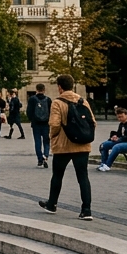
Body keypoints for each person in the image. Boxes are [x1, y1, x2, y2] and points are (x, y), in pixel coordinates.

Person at [39, 74, 95, 221]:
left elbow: (55, 124)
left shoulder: (57, 102)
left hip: (63, 146)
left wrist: (53, 137)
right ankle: (86, 210)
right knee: (83, 177)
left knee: (57, 176)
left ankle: (52, 204)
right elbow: (93, 122)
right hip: (82, 145)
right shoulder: (83, 101)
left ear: (59, 87)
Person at [97, 105, 127, 171]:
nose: (120, 118)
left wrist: (121, 139)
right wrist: (114, 137)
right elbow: (119, 134)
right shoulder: (121, 124)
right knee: (104, 145)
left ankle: (107, 165)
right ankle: (103, 163)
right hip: (122, 142)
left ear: (126, 115)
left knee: (117, 147)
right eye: (118, 117)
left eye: (121, 116)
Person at [28, 84, 52, 168]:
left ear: (36, 89)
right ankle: (45, 155)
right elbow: (51, 111)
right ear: (44, 90)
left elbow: (29, 111)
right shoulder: (48, 99)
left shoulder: (32, 99)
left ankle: (40, 159)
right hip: (46, 123)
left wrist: (32, 119)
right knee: (46, 141)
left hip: (36, 124)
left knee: (37, 142)